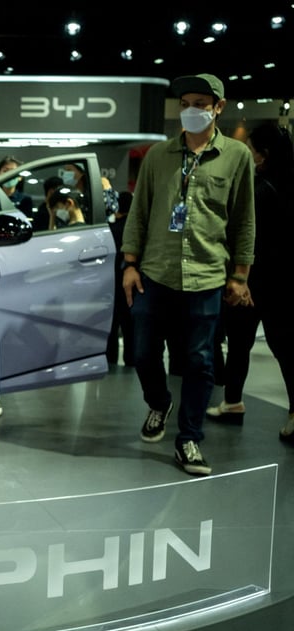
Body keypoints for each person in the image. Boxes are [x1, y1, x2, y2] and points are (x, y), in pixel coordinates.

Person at [120, 73, 256, 476]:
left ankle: (189, 438)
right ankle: (159, 402)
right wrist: (129, 264)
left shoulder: (236, 156)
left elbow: (244, 219)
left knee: (199, 361)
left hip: (207, 274)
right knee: (143, 353)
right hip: (155, 272)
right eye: (184, 104)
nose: (190, 110)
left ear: (219, 107)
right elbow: (139, 212)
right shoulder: (158, 155)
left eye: (199, 103)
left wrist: (240, 275)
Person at [206, 121, 294, 442]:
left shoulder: (258, 190)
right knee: (277, 346)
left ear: (263, 155)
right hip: (281, 280)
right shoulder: (286, 184)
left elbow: (243, 233)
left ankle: (234, 402)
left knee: (246, 343)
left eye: (251, 149)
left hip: (254, 279)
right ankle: (235, 402)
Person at [106, 190, 135, 366]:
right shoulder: (132, 229)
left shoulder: (110, 229)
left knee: (111, 326)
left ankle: (111, 360)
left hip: (110, 282)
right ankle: (131, 361)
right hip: (129, 282)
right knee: (130, 326)